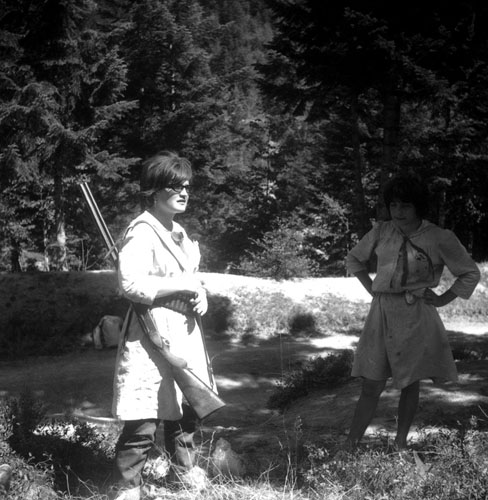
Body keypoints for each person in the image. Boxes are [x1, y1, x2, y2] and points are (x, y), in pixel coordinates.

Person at [343, 173, 480, 451]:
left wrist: (442, 300)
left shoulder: (439, 237)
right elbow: (354, 259)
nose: (398, 212)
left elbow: (469, 273)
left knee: (410, 382)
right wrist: (373, 290)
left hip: (416, 314)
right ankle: (349, 446)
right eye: (393, 205)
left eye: (405, 205)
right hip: (382, 313)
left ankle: (400, 444)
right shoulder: (381, 232)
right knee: (372, 383)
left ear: (418, 206)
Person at [110, 151, 216, 500]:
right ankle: (128, 488)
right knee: (145, 413)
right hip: (151, 330)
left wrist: (200, 294)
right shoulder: (142, 231)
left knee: (186, 407)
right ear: (154, 191)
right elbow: (131, 285)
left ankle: (184, 473)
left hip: (184, 329)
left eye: (186, 186)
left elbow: (191, 278)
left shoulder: (178, 231)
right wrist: (181, 286)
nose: (184, 193)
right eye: (175, 187)